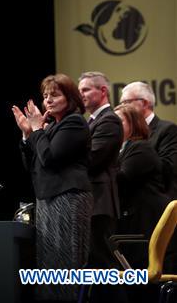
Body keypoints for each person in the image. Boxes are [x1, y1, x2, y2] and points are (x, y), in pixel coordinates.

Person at [13, 73, 92, 302]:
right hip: (47, 199)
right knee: (49, 262)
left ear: (70, 98)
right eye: (45, 95)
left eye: (55, 95)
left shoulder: (74, 123)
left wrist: (38, 129)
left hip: (68, 197)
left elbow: (50, 157)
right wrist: (28, 133)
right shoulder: (51, 128)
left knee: (66, 262)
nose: (48, 100)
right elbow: (32, 165)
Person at [114, 103, 169, 269]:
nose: (113, 128)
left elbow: (122, 178)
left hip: (143, 222)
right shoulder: (120, 149)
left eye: (118, 122)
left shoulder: (141, 147)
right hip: (131, 221)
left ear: (134, 124)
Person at [77, 72, 123, 273]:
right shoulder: (91, 121)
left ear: (103, 91)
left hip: (100, 202)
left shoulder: (110, 120)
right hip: (90, 202)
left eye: (86, 89)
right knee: (94, 265)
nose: (81, 95)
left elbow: (92, 159)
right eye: (79, 91)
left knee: (103, 265)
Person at [121, 81, 177, 198]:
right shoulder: (124, 134)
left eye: (126, 102)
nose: (123, 108)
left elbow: (168, 169)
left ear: (144, 103)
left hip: (157, 203)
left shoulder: (168, 129)